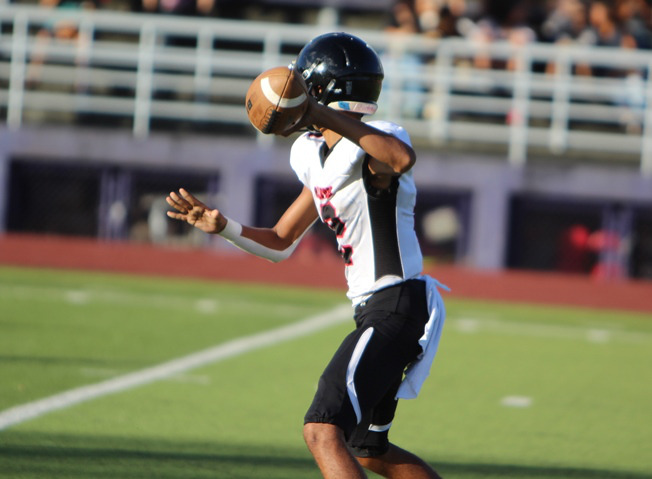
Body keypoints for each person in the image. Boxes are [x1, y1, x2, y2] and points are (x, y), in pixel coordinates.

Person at [166, 32, 447, 479]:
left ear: (318, 89)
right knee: (369, 450)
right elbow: (281, 240)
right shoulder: (314, 154)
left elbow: (398, 159)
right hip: (380, 309)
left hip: (395, 306)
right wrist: (224, 227)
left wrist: (316, 111)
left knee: (321, 429)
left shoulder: (376, 142)